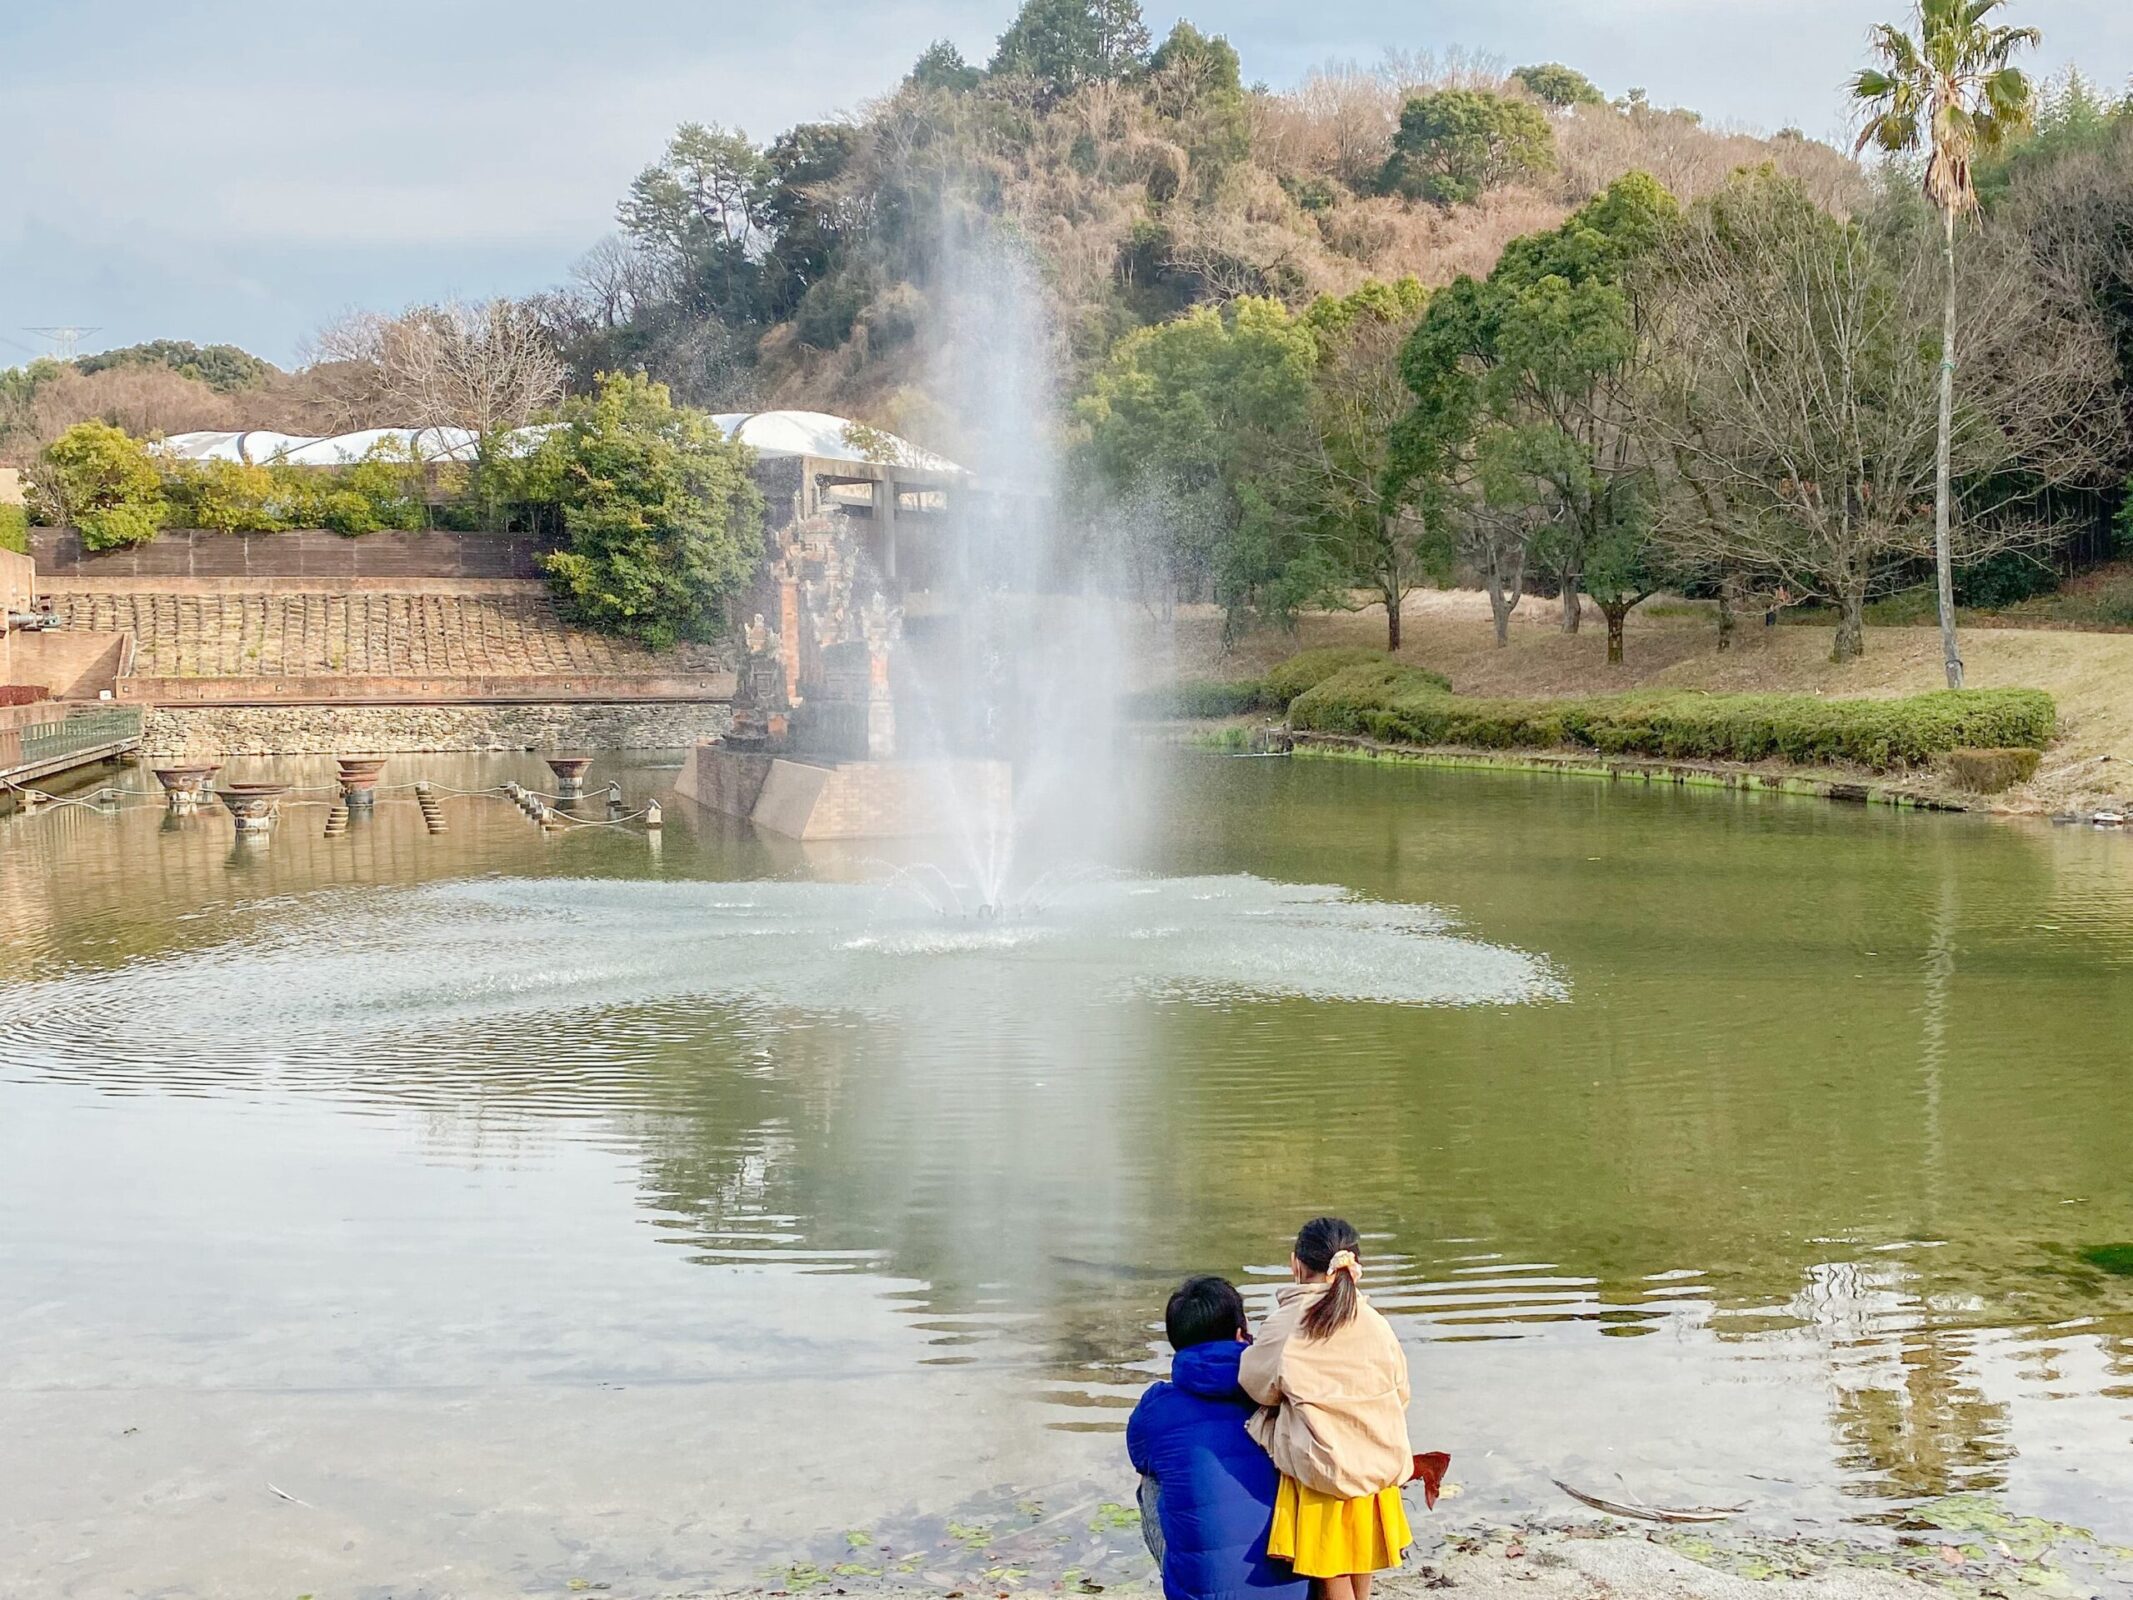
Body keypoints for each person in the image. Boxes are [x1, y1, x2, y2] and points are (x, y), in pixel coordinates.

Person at [1240, 1218, 1414, 1600]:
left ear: (1296, 1265)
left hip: (1323, 1473)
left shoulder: (1288, 1323)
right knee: (1358, 1559)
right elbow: (1401, 1394)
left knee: (1330, 1571)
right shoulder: (1375, 1322)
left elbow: (1256, 1386)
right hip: (1378, 1469)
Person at [1127, 1276, 1310, 1600]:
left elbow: (1138, 1454)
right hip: (1299, 1589)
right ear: (1241, 1332)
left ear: (1176, 1343)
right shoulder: (1282, 1390)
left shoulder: (1156, 1407)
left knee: (1152, 1481)